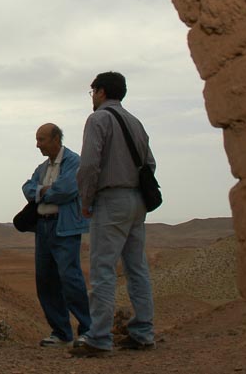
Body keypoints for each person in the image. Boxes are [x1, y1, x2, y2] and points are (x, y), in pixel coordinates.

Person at [71, 71, 156, 357]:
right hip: (137, 200)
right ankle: (143, 332)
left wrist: (86, 199)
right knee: (137, 268)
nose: (92, 97)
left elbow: (89, 165)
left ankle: (99, 337)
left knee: (103, 270)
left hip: (111, 199)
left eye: (93, 91)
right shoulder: (136, 122)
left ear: (102, 92)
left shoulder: (98, 119)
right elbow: (150, 163)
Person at [21, 123, 91, 347]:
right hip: (43, 227)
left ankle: (88, 329)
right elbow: (27, 187)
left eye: (41, 139)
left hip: (64, 227)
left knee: (70, 278)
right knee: (45, 280)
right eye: (37, 139)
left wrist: (41, 192)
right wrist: (43, 191)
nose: (37, 145)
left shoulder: (73, 162)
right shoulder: (43, 167)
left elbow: (66, 190)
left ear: (56, 139)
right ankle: (61, 331)